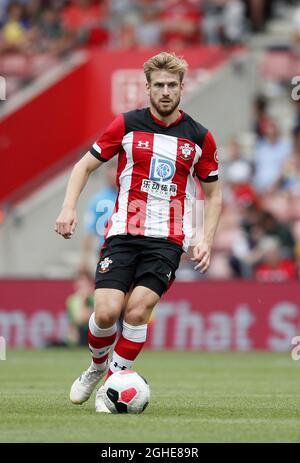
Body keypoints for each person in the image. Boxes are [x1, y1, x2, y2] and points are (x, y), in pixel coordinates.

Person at [55, 51, 222, 413]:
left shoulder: (199, 138)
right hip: (123, 234)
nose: (165, 91)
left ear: (181, 88)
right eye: (159, 85)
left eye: (172, 85)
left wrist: (205, 238)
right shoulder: (126, 125)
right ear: (147, 88)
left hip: (167, 240)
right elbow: (83, 167)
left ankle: (113, 383)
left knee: (137, 311)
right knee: (104, 312)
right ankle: (97, 368)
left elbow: (214, 193)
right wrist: (69, 207)